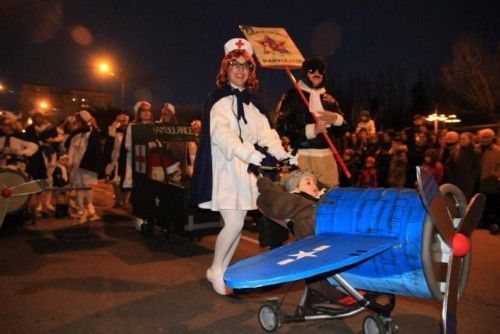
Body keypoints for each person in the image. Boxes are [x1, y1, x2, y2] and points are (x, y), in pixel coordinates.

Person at [190, 38, 296, 295]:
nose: (239, 70)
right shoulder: (218, 100)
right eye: (234, 64)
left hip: (245, 170)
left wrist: (283, 154)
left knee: (237, 221)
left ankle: (219, 269)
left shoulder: (253, 102)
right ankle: (217, 270)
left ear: (251, 72)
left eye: (245, 66)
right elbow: (223, 136)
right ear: (225, 69)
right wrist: (251, 155)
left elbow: (266, 133)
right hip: (225, 169)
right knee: (235, 223)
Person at [275, 56, 346, 188]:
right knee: (302, 197)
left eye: (320, 71)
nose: (316, 74)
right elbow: (281, 125)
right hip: (302, 156)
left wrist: (336, 120)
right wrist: (312, 130)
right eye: (312, 70)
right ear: (305, 74)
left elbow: (344, 129)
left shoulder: (329, 100)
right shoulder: (292, 96)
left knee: (329, 196)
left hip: (326, 157)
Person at [67, 110, 102, 223]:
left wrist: (91, 127)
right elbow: (72, 149)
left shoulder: (93, 134)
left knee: (87, 186)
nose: (77, 122)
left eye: (79, 120)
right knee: (78, 187)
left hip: (88, 163)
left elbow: (96, 148)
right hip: (77, 164)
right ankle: (81, 208)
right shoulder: (76, 135)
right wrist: (70, 163)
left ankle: (90, 206)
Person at [103, 113, 130, 207]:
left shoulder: (130, 133)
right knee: (115, 181)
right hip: (115, 160)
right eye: (122, 121)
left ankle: (125, 200)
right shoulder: (115, 132)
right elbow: (111, 132)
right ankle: (119, 200)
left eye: (126, 121)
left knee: (126, 180)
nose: (125, 123)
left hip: (126, 160)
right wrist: (116, 121)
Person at [476, 128, 499, 232]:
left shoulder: (497, 150)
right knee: (478, 202)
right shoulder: (476, 149)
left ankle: (488, 222)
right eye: (483, 137)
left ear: (492, 138)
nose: (485, 139)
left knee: (490, 203)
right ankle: (479, 221)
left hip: (491, 182)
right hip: (476, 182)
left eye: (488, 137)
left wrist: (495, 173)